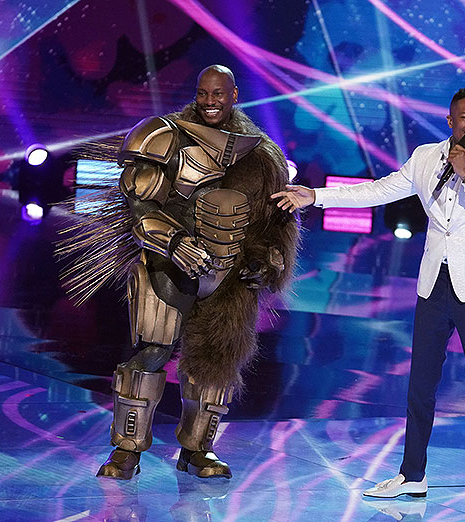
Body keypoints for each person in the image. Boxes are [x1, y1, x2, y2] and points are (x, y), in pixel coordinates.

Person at [272, 88, 465, 515]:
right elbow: (377, 190)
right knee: (420, 383)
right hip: (434, 284)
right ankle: (412, 474)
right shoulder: (426, 157)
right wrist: (316, 195)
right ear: (450, 121)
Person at [61, 64, 299, 480]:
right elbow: (140, 207)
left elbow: (276, 219)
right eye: (203, 93)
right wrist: (174, 243)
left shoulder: (262, 155)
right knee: (152, 352)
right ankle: (126, 450)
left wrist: (268, 261)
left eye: (218, 94)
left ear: (234, 95)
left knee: (216, 363)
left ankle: (197, 451)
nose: (210, 101)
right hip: (168, 266)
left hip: (230, 276)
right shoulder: (163, 136)